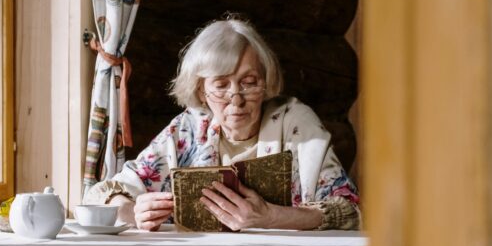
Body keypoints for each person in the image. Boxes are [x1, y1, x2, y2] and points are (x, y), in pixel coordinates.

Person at [84, 17, 360, 231]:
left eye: (249, 83)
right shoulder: (190, 128)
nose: (236, 99)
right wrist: (133, 212)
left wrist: (271, 216)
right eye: (221, 85)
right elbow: (100, 195)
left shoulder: (294, 121)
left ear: (265, 84)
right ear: (202, 91)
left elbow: (349, 211)